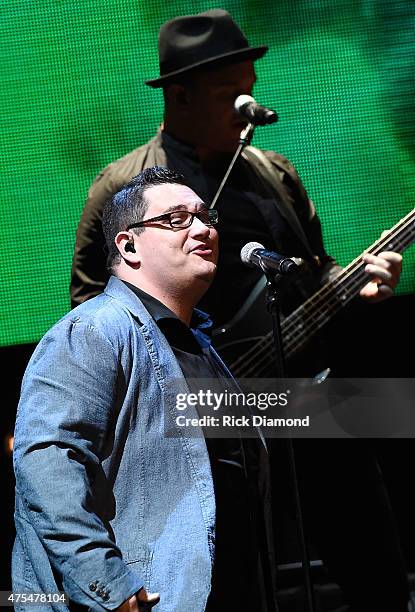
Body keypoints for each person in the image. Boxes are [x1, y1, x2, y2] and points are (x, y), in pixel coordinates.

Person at [70, 9, 408, 611]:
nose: (248, 104)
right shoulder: (122, 187)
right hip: (198, 414)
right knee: (230, 586)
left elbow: (312, 268)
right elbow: (90, 312)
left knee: (376, 567)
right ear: (180, 95)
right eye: (230, 94)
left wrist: (357, 283)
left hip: (306, 397)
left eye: (250, 87)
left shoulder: (274, 172)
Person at [13, 167, 277, 612]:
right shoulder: (93, 329)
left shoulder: (197, 344)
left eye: (206, 216)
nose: (202, 228)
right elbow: (47, 458)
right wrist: (109, 583)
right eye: (176, 220)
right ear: (128, 244)